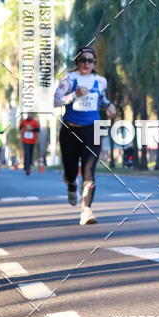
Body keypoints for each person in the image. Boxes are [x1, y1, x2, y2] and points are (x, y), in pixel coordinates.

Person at [53, 45, 116, 225]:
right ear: (77, 62)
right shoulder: (68, 79)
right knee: (71, 169)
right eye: (82, 60)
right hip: (70, 129)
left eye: (90, 60)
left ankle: (86, 210)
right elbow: (56, 101)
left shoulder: (100, 80)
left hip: (94, 129)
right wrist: (74, 95)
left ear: (94, 62)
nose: (86, 63)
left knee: (89, 169)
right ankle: (71, 184)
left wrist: (109, 105)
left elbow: (101, 98)